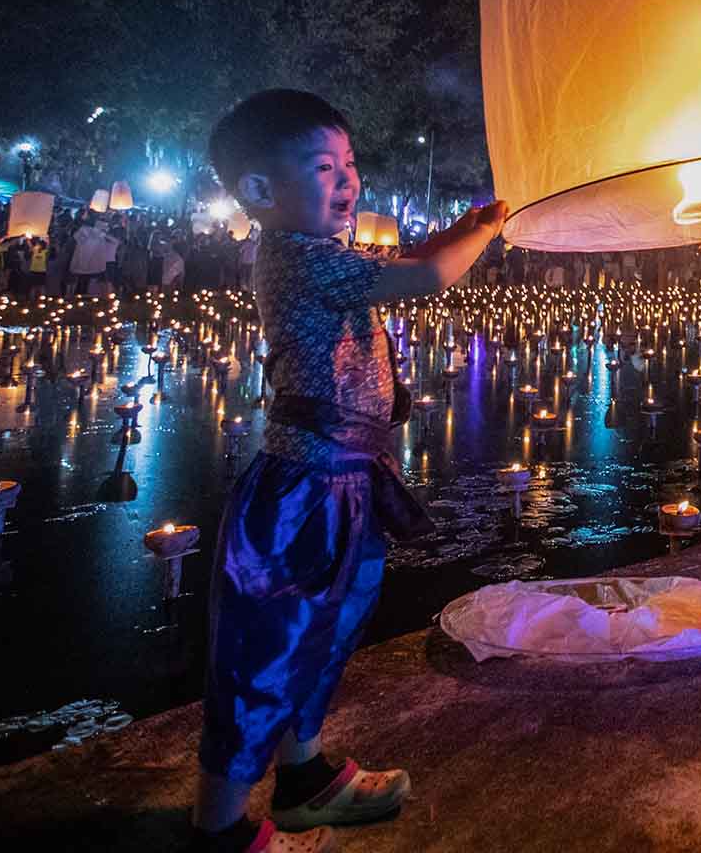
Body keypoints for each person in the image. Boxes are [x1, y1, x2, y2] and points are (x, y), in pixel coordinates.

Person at [194, 89, 508, 853]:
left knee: (324, 636)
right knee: (267, 655)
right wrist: (484, 232)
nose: (348, 181)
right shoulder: (297, 257)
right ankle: (219, 830)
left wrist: (460, 226)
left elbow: (407, 260)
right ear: (260, 190)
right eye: (323, 167)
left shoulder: (324, 256)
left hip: (347, 480)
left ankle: (303, 779)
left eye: (350, 163)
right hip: (302, 494)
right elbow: (426, 277)